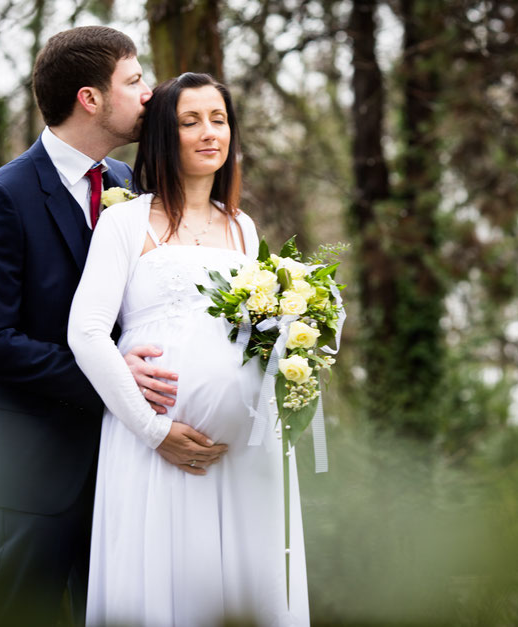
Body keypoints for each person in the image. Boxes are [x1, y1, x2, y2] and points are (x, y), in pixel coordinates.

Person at [0, 27, 227, 624]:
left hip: (123, 457)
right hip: (35, 465)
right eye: (133, 82)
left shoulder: (130, 187)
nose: (149, 93)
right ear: (90, 99)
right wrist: (112, 378)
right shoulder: (1, 197)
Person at [68, 72, 310, 626]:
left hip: (247, 454)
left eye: (219, 119)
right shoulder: (125, 222)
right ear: (162, 136)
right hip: (156, 450)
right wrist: (154, 432)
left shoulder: (243, 228)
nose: (209, 133)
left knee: (248, 590)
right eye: (190, 120)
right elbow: (85, 332)